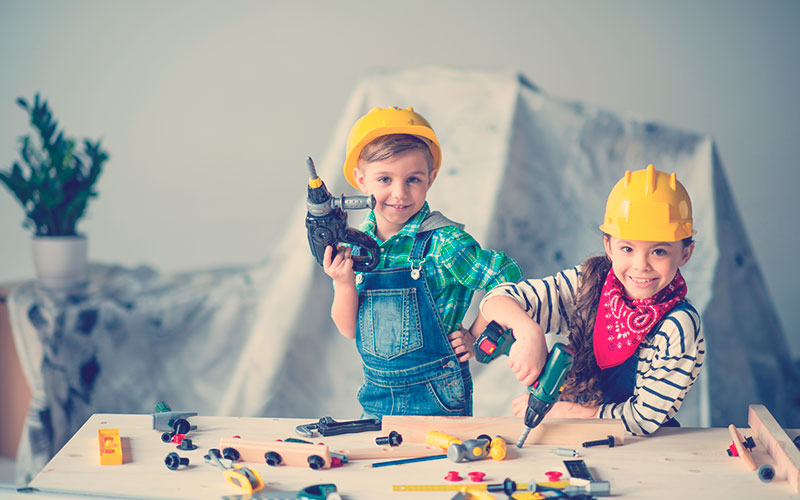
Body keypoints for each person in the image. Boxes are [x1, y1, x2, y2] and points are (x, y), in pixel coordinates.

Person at [472, 164, 704, 435]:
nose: (641, 265)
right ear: (609, 246)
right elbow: (496, 300)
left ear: (685, 254)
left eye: (659, 251)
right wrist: (528, 332)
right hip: (579, 436)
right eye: (627, 248)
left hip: (642, 447)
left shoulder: (678, 327)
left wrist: (571, 412)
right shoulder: (587, 285)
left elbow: (643, 419)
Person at [323, 106, 523, 418]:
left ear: (430, 178)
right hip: (376, 397)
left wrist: (478, 335)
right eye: (385, 179)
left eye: (413, 179)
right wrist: (343, 283)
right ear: (361, 180)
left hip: (437, 396)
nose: (399, 193)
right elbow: (350, 329)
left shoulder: (444, 244)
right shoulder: (356, 247)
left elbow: (505, 274)